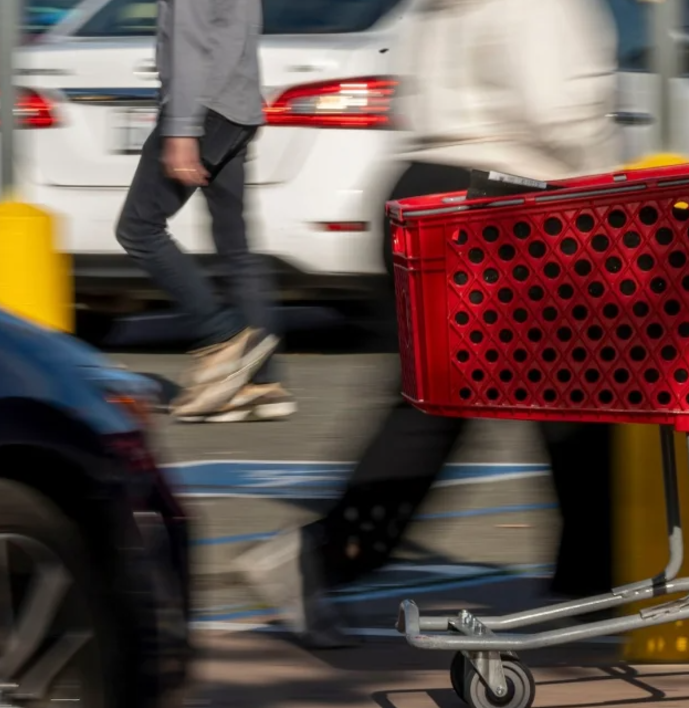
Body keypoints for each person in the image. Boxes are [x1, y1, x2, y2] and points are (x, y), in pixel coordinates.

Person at [234, 0, 623, 649]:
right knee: (524, 397)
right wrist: (614, 175)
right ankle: (319, 557)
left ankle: (593, 575)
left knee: (544, 398)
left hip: (428, 187)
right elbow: (559, 112)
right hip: (509, 204)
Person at [115, 0, 292, 423]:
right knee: (236, 249)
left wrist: (181, 128)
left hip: (204, 109)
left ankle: (223, 342)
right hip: (237, 105)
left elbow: (190, 43)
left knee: (139, 229)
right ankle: (260, 384)